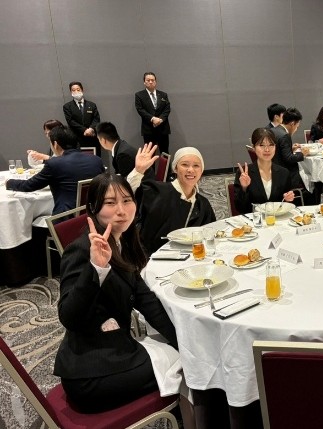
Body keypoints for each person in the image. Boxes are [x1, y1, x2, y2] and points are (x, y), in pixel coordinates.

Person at [53, 173, 179, 413]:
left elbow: (146, 301)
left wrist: (183, 341)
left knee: (186, 354)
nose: (121, 210)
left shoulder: (123, 242)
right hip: (90, 373)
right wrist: (96, 269)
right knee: (189, 364)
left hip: (115, 348)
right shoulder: (82, 249)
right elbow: (69, 317)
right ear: (93, 208)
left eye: (127, 200)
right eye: (110, 203)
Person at [128, 144, 216, 255]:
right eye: (184, 164)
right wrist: (138, 171)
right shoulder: (157, 191)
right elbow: (127, 195)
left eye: (196, 166)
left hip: (190, 257)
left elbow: (210, 233)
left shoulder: (202, 204)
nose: (190, 170)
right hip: (153, 257)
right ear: (175, 168)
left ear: (201, 171)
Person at [5, 125, 104, 215]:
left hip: (65, 218)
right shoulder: (97, 160)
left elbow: (29, 185)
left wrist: (9, 183)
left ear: (55, 144)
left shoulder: (54, 164)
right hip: (94, 214)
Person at [234, 128, 299, 214]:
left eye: (271, 145)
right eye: (262, 145)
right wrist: (244, 188)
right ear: (253, 147)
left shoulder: (283, 173)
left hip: (277, 219)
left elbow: (287, 205)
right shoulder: (245, 173)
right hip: (255, 220)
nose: (267, 149)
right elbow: (240, 208)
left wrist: (288, 199)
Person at [135, 72, 171, 155]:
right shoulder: (139, 95)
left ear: (155, 81)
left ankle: (166, 165)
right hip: (148, 129)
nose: (150, 82)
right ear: (144, 82)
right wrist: (153, 119)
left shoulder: (163, 95)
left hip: (163, 129)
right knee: (149, 154)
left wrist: (160, 120)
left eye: (152, 80)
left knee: (165, 154)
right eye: (148, 80)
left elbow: (167, 109)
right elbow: (140, 110)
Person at [62, 81, 101, 155]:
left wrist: (90, 129)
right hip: (77, 139)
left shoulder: (92, 105)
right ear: (71, 92)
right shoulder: (67, 106)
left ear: (82, 90)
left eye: (78, 89)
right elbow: (70, 121)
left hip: (92, 137)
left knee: (94, 159)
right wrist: (84, 130)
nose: (76, 92)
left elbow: (96, 119)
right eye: (73, 90)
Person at [272, 107, 310, 176]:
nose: (296, 129)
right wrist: (302, 154)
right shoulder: (285, 135)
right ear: (292, 124)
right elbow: (289, 159)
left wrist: (291, 149)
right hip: (284, 173)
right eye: (297, 127)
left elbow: (278, 151)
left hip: (273, 169)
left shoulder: (274, 130)